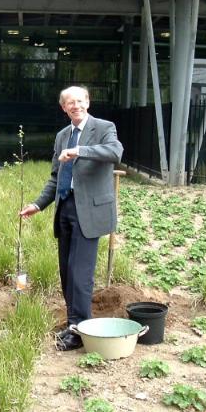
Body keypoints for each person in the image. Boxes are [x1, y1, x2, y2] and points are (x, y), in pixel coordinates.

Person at [20, 86, 123, 351]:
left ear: (87, 102)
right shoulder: (62, 135)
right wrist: (38, 204)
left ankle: (80, 330)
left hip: (90, 210)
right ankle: (73, 323)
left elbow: (114, 153)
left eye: (79, 101)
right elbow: (56, 176)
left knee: (80, 273)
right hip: (65, 206)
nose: (75, 105)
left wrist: (80, 151)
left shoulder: (103, 127)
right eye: (69, 102)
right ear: (63, 108)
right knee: (67, 271)